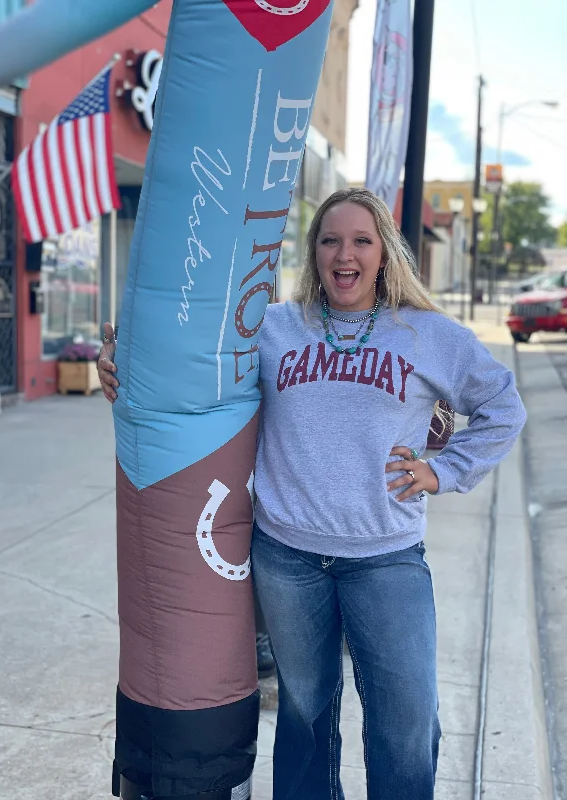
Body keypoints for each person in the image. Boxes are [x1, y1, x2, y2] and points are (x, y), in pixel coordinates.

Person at [97, 188, 526, 800]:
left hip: (386, 559)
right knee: (304, 718)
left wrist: (445, 470)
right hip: (289, 562)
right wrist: (121, 364)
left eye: (360, 241)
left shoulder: (427, 335)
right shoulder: (273, 327)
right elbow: (188, 362)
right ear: (313, 252)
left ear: (384, 255)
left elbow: (502, 407)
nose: (343, 254)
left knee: (407, 725)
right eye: (330, 240)